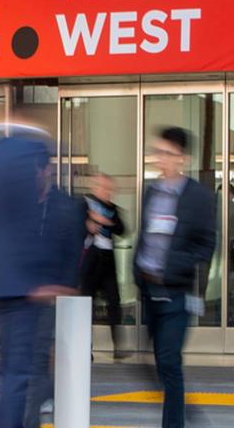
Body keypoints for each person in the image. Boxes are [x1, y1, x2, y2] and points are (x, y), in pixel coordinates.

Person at [0, 128, 84, 428]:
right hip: (19, 293)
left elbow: (72, 253)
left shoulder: (65, 207)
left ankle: (28, 418)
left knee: (28, 369)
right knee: (15, 370)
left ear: (46, 170)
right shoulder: (19, 204)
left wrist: (61, 288)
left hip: (48, 294)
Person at [134, 127, 216, 428]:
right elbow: (144, 235)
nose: (161, 159)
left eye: (168, 153)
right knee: (154, 361)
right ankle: (182, 409)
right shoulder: (151, 191)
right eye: (158, 152)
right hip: (148, 288)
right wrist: (138, 271)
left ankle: (175, 423)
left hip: (176, 292)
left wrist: (176, 266)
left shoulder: (199, 197)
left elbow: (206, 245)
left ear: (183, 158)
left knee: (168, 361)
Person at [80, 173, 126, 358]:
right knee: (86, 305)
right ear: (95, 187)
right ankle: (85, 348)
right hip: (90, 259)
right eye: (103, 187)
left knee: (114, 302)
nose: (107, 192)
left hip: (107, 261)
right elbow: (75, 225)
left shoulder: (113, 209)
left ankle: (118, 347)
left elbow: (122, 229)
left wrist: (103, 220)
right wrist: (88, 224)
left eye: (109, 188)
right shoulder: (84, 204)